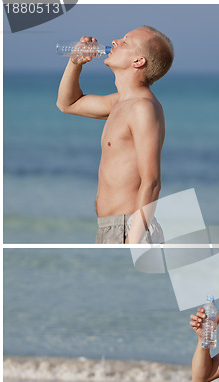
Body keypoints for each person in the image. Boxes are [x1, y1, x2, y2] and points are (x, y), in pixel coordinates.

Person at [56, 26, 174, 244]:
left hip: (129, 228)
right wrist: (75, 63)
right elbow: (67, 104)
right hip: (111, 228)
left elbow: (152, 182)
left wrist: (133, 239)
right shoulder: (120, 102)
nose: (115, 41)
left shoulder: (142, 107)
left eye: (126, 42)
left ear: (138, 61)